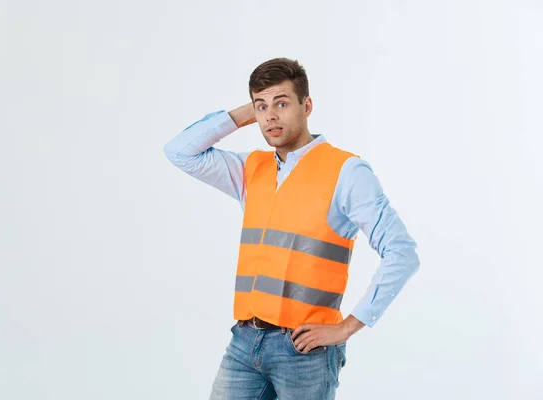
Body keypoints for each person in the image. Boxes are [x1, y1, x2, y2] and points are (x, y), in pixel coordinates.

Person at [163, 57, 421, 399]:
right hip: (244, 341)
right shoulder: (250, 169)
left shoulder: (346, 171)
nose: (270, 116)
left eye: (281, 103)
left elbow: (402, 253)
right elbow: (179, 152)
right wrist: (245, 113)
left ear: (307, 105)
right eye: (262, 106)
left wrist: (348, 327)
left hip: (304, 350)